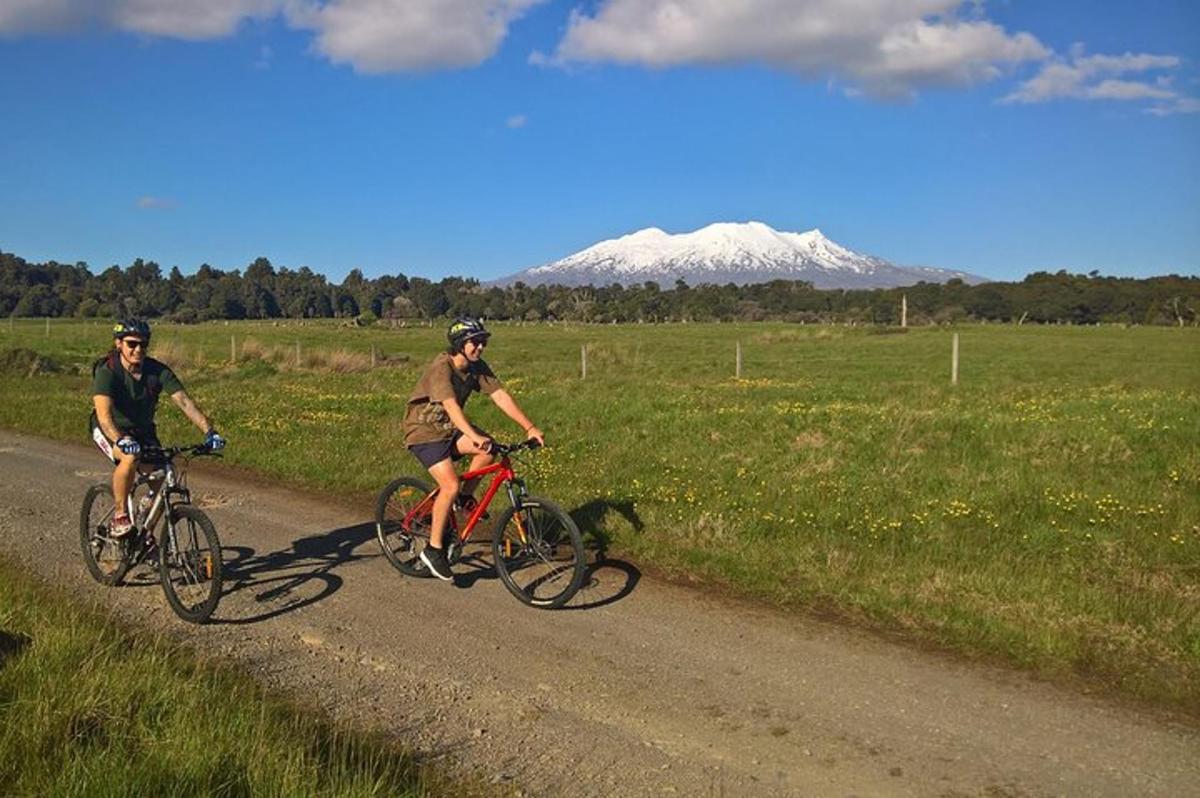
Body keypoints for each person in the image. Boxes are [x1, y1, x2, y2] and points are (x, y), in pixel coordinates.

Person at [403, 317, 543, 581]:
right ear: (459, 344)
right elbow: (451, 406)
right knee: (450, 485)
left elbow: (500, 395)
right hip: (424, 431)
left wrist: (530, 427)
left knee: (488, 450)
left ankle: (463, 499)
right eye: (475, 342)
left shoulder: (477, 367)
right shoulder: (441, 367)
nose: (480, 347)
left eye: (483, 342)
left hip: (449, 428)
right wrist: (471, 435)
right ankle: (433, 551)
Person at [90, 319, 225, 537]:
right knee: (130, 458)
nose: (138, 350)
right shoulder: (109, 372)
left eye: (143, 345)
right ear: (118, 344)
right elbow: (104, 416)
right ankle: (120, 515)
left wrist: (209, 431)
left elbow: (184, 402)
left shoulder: (156, 370)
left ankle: (145, 526)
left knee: (162, 471)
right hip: (110, 429)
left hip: (143, 430)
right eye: (132, 344)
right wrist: (121, 439)